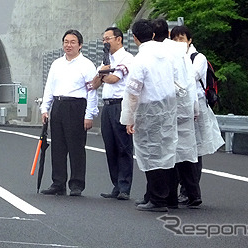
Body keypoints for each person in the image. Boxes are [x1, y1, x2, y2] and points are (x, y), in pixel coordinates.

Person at [120, 19, 178, 212]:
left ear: (134, 38)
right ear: (153, 34)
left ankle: (157, 199)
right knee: (166, 152)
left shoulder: (140, 59)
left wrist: (129, 118)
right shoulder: (168, 55)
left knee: (150, 153)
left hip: (148, 110)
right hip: (168, 108)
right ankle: (165, 197)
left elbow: (133, 92)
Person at [170, 25, 225, 205]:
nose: (179, 42)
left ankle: (190, 191)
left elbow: (189, 79)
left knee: (195, 150)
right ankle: (184, 191)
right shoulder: (174, 59)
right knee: (181, 150)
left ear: (190, 40)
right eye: (175, 39)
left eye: (182, 39)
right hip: (179, 108)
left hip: (197, 108)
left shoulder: (197, 57)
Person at [40, 29, 98, 196]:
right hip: (58, 105)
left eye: (73, 42)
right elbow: (49, 87)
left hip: (76, 106)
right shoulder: (56, 64)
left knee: (76, 147)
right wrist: (45, 108)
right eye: (66, 41)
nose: (69, 45)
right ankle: (58, 183)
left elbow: (92, 91)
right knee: (57, 147)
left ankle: (77, 184)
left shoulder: (86, 65)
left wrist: (89, 114)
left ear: (80, 45)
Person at [152, 18, 200, 208]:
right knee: (185, 154)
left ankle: (169, 196)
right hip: (184, 107)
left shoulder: (159, 53)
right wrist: (194, 107)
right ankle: (193, 193)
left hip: (167, 109)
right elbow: (190, 83)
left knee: (168, 153)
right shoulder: (181, 53)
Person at [91, 27, 134, 201]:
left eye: (107, 38)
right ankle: (116, 184)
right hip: (107, 106)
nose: (105, 42)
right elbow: (93, 84)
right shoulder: (105, 61)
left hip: (121, 105)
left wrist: (103, 73)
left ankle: (125, 187)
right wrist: (103, 72)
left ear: (118, 39)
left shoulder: (127, 58)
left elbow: (113, 79)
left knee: (123, 146)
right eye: (103, 39)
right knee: (110, 147)